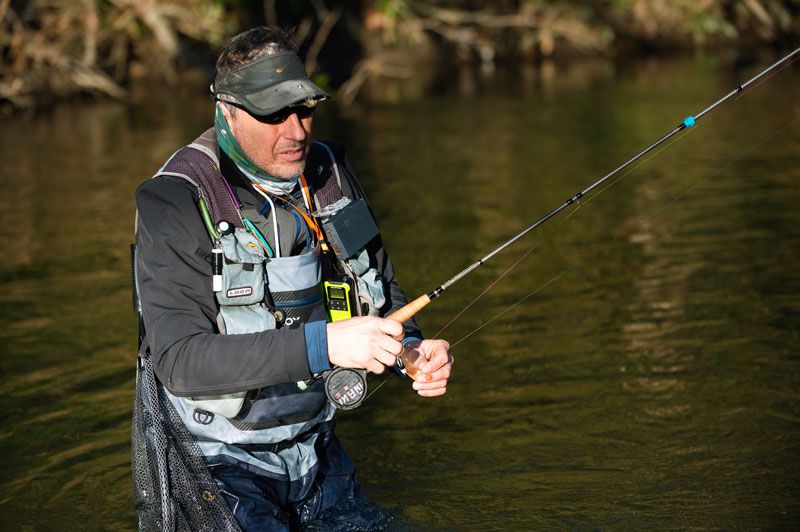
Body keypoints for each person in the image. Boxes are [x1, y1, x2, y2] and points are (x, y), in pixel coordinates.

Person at [133, 26, 453, 531]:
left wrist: (408, 351)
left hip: (315, 450)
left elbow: (381, 292)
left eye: (303, 109)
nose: (297, 131)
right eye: (272, 114)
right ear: (227, 111)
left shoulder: (329, 175)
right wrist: (324, 344)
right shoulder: (171, 202)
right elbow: (179, 361)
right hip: (216, 466)